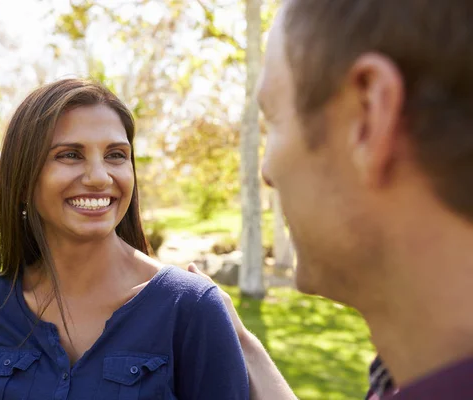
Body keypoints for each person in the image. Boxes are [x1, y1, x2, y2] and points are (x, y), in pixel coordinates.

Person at [193, 0, 473, 399]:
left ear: (367, 115)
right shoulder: (406, 375)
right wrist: (243, 343)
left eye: (273, 120)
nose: (267, 172)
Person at [0, 79, 249, 400]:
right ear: (21, 182)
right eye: (70, 154)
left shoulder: (190, 309)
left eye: (116, 155)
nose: (100, 177)